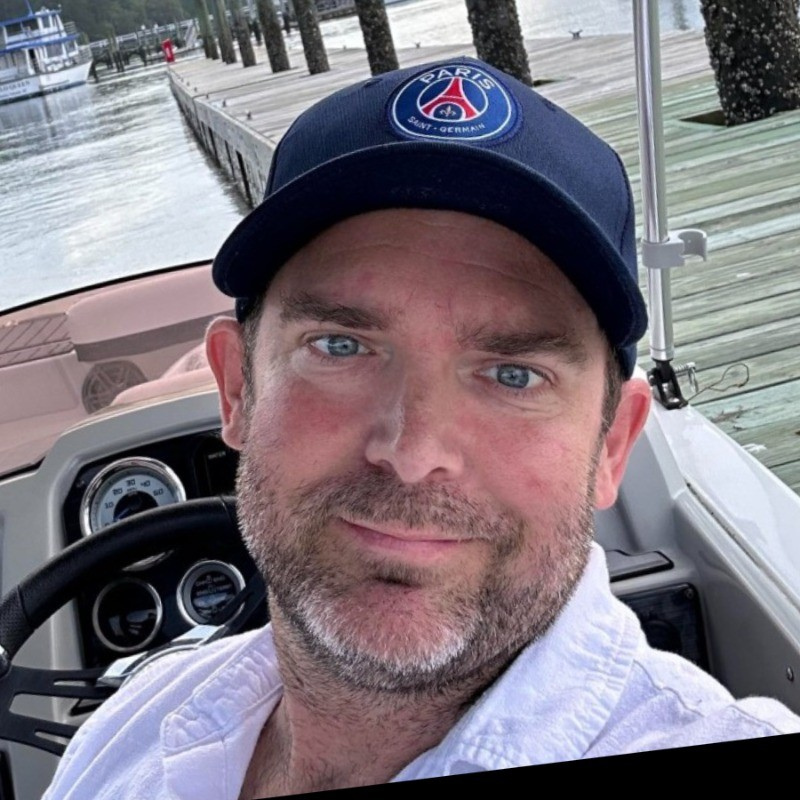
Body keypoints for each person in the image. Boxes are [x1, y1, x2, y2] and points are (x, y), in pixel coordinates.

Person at [44, 56, 800, 800]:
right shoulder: (129, 730)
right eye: (340, 347)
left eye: (513, 374)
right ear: (238, 388)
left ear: (612, 444)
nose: (412, 453)